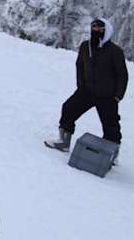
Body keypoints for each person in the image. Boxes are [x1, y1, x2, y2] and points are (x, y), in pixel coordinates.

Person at [46, 18, 128, 156]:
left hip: (107, 96)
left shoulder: (115, 51)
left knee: (111, 126)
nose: (96, 30)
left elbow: (122, 75)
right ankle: (63, 142)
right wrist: (81, 86)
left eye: (99, 28)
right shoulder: (85, 46)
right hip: (87, 91)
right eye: (93, 27)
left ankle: (112, 155)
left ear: (106, 30)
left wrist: (118, 96)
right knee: (68, 108)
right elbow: (80, 66)